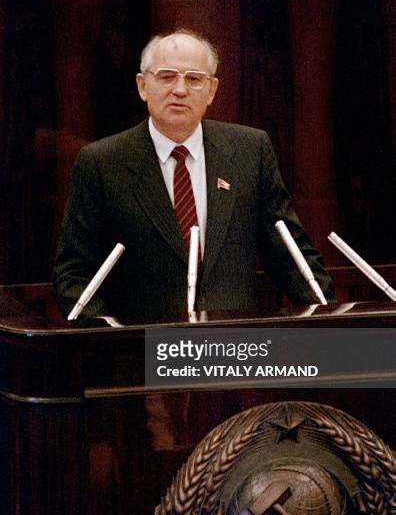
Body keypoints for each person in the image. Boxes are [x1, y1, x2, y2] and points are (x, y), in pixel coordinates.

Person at [54, 29, 335, 318]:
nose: (180, 90)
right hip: (143, 351)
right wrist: (110, 338)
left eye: (193, 79)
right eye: (166, 77)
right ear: (142, 86)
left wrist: (330, 321)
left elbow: (291, 255)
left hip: (232, 351)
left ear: (212, 90)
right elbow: (74, 274)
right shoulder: (102, 162)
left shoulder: (250, 150)